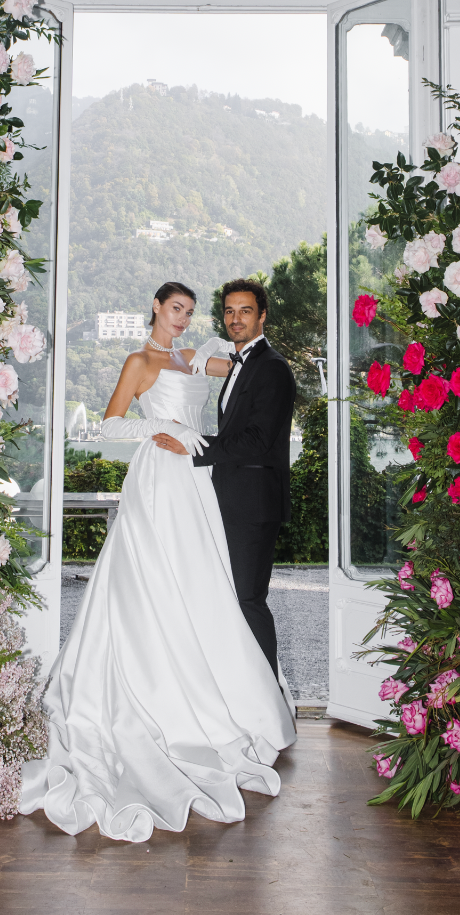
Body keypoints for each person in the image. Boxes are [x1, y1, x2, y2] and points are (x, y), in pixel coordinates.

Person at [18, 280, 296, 843]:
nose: (184, 320)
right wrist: (162, 428)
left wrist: (230, 363)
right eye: (176, 309)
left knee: (207, 584)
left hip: (200, 479)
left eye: (191, 313)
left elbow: (246, 376)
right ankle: (152, 692)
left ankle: (227, 696)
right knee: (151, 579)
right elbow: (112, 421)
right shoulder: (139, 359)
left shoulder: (197, 358)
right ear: (156, 308)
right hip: (160, 472)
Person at [154, 278, 296, 678]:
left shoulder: (272, 368)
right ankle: (245, 692)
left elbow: (256, 441)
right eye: (230, 311)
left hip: (252, 503)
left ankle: (270, 699)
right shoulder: (240, 364)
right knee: (233, 599)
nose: (236, 319)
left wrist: (192, 445)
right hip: (231, 497)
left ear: (262, 315)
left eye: (245, 311)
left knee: (248, 600)